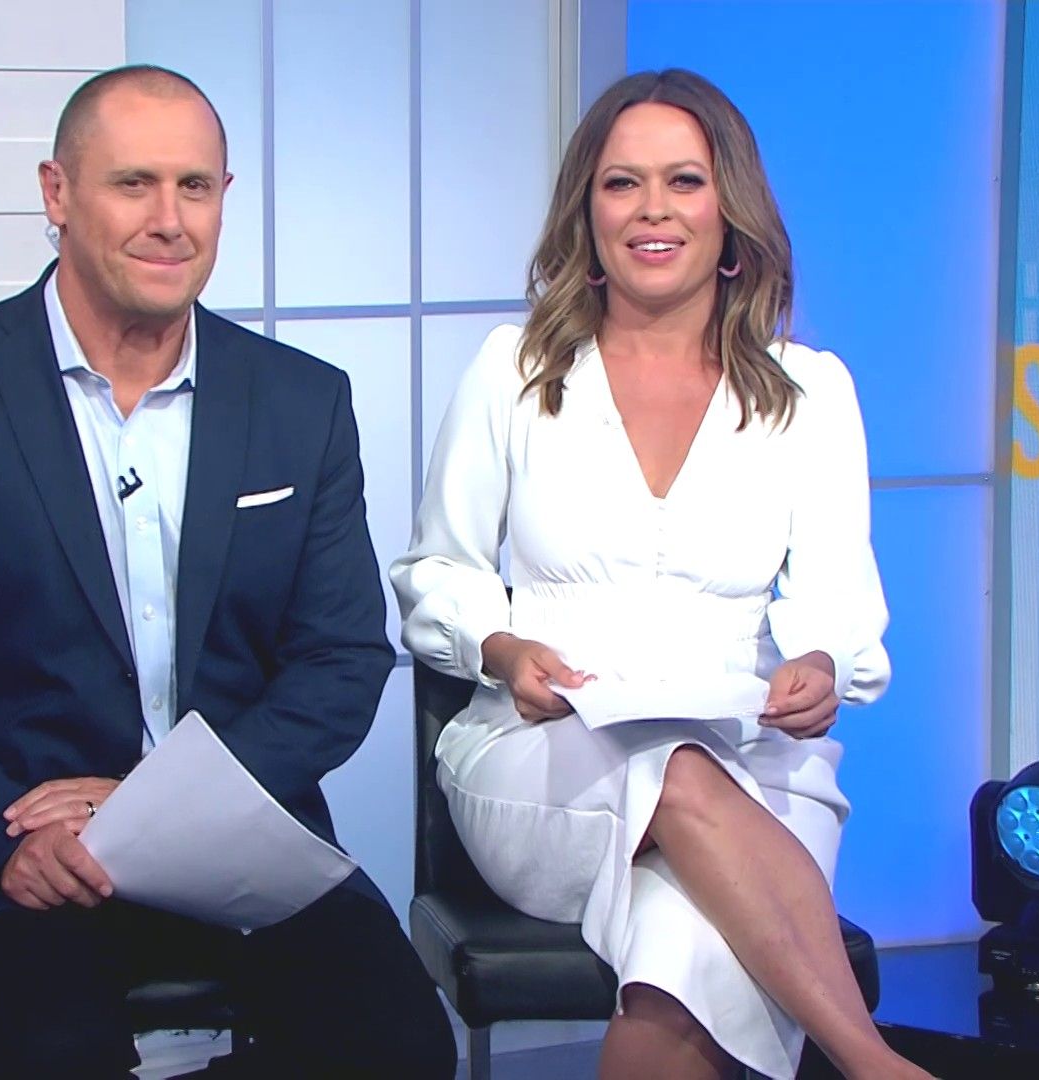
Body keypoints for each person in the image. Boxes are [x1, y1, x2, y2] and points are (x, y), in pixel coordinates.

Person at [0, 63, 453, 1080]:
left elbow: (339, 661)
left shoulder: (301, 401)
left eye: (194, 187)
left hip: (230, 839)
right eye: (133, 184)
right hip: (12, 849)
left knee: (399, 1047)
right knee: (59, 1055)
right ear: (57, 193)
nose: (169, 220)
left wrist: (164, 804)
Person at [391, 69, 931, 1080]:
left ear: (731, 211)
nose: (652, 210)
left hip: (754, 761)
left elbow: (839, 598)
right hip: (545, 758)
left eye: (683, 181)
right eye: (621, 183)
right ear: (587, 211)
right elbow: (437, 570)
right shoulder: (515, 371)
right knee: (671, 771)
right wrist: (500, 647)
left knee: (681, 946)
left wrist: (820, 662)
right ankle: (871, 1060)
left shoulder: (811, 392)